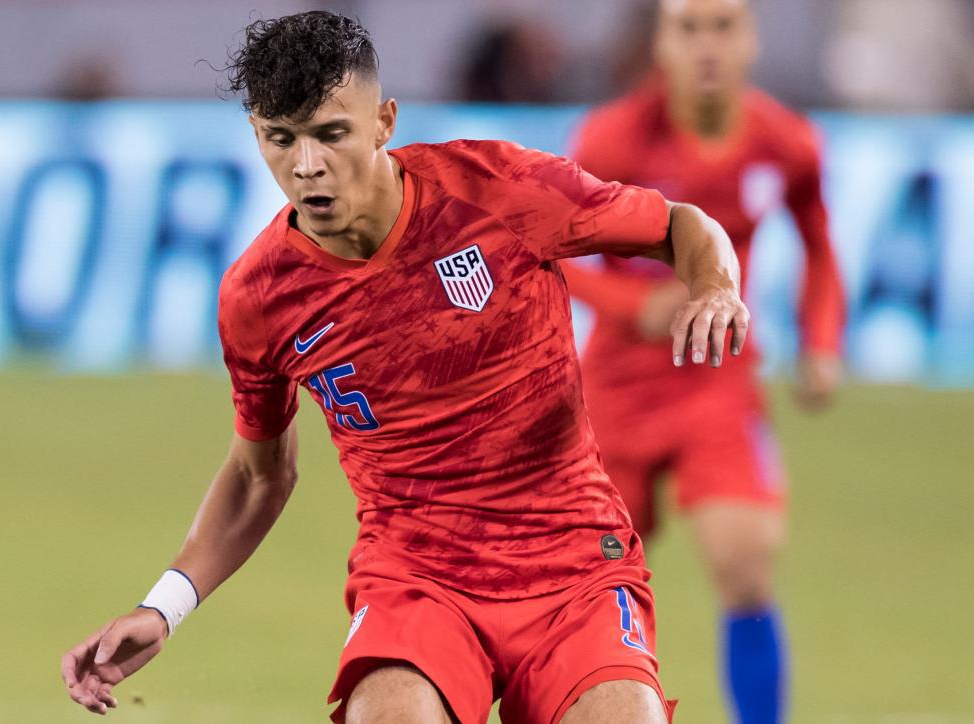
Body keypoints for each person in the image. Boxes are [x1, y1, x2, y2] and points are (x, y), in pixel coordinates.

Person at [60, 11, 750, 724]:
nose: (306, 166)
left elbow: (680, 225)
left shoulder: (498, 189)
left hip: (571, 560)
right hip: (417, 580)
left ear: (384, 121)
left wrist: (714, 285)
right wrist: (164, 606)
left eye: (331, 133)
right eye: (280, 138)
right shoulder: (260, 298)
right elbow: (257, 473)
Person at [562, 1, 845, 722]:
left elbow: (819, 249)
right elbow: (556, 258)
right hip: (617, 390)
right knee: (581, 587)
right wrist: (635, 308)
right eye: (688, 28)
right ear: (660, 42)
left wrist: (821, 343)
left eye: (722, 26)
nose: (706, 46)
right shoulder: (611, 139)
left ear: (749, 38)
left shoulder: (787, 145)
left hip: (716, 383)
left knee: (745, 561)